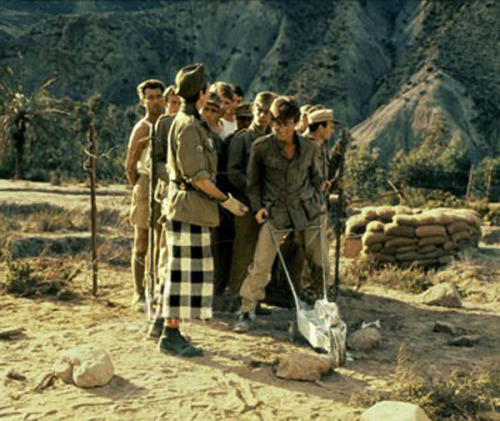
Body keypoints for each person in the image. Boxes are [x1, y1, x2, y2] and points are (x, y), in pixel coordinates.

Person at [155, 63, 247, 357]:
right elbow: (197, 177)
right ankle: (170, 333)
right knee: (183, 274)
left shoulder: (189, 123)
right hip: (189, 208)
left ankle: (165, 325)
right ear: (202, 92)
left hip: (191, 208)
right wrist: (226, 201)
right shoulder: (189, 127)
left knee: (181, 271)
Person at [234, 96, 329, 333]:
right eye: (276, 122)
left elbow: (318, 181)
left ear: (296, 123)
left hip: (306, 212)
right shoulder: (262, 147)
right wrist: (259, 208)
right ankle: (247, 310)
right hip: (276, 213)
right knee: (261, 264)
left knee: (320, 263)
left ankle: (323, 309)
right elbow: (253, 184)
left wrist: (317, 203)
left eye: (286, 123)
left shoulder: (309, 149)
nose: (279, 128)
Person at [226, 91, 277, 297]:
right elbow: (233, 172)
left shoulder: (274, 141)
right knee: (243, 251)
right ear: (253, 110)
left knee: (262, 255)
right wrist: (253, 190)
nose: (263, 116)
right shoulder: (243, 139)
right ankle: (237, 295)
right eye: (259, 110)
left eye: (267, 112)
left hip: (269, 205)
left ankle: (253, 297)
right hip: (246, 204)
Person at [125, 79, 166, 310]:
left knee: (161, 241)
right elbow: (130, 164)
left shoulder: (166, 124)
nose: (155, 101)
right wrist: (139, 185)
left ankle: (157, 288)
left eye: (158, 96)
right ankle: (138, 292)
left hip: (163, 185)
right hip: (145, 183)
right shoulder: (142, 128)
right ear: (142, 101)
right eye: (150, 97)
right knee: (142, 240)